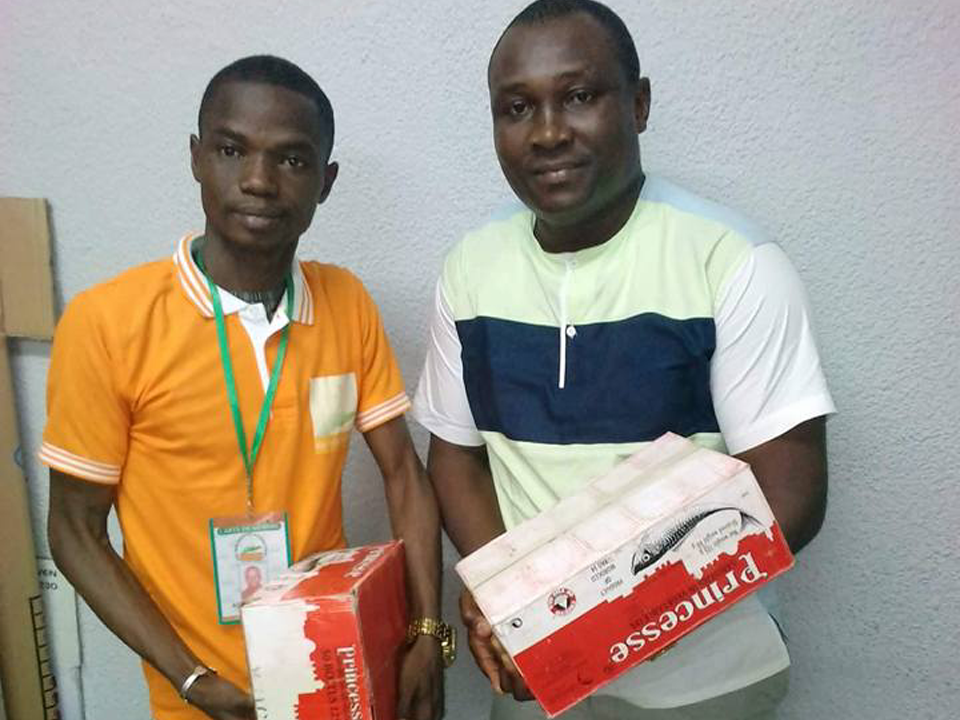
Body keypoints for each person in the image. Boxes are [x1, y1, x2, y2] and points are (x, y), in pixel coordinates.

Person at [412, 1, 835, 718]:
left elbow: (789, 490)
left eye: (579, 96)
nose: (548, 132)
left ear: (638, 105)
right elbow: (455, 459)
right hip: (541, 676)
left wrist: (605, 624)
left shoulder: (731, 260)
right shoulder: (470, 269)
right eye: (517, 108)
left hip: (705, 680)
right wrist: (510, 601)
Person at [43, 55, 447, 720]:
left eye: (291, 159)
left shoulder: (345, 303)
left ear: (325, 182)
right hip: (198, 698)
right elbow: (74, 530)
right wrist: (191, 679)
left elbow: (404, 474)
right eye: (232, 150)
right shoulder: (107, 323)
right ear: (197, 158)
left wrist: (427, 631)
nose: (259, 181)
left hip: (335, 671)